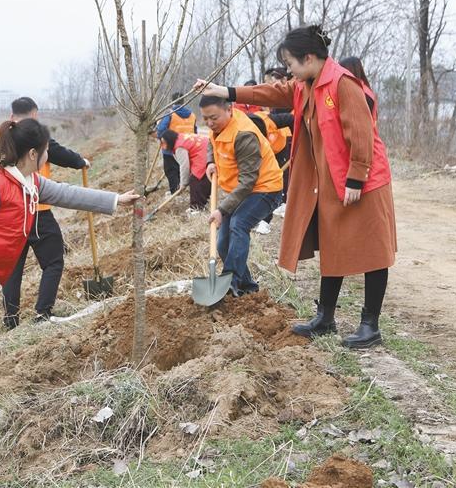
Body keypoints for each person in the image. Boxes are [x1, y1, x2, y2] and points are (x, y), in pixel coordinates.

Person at [194, 25, 397, 349]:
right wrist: (227, 91)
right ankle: (325, 317)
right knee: (333, 245)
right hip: (330, 183)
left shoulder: (343, 84)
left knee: (374, 252)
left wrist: (357, 176)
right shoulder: (306, 85)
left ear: (309, 57)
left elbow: (362, 133)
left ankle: (370, 325)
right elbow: (270, 93)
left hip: (365, 182)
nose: (289, 69)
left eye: (291, 62)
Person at [0, 118, 140, 445]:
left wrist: (115, 200)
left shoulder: (27, 181)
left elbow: (66, 194)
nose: (49, 156)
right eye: (47, 151)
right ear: (33, 152)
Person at [0, 97, 90, 329]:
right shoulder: (35, 137)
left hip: (8, 214)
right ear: (35, 115)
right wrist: (80, 161)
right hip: (36, 209)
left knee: (13, 266)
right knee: (53, 261)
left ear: (11, 116)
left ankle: (11, 319)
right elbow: (59, 154)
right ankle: (43, 313)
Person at [199, 95, 284, 296]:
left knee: (239, 224)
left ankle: (230, 281)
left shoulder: (244, 135)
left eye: (214, 118)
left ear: (230, 109)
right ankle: (247, 287)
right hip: (240, 190)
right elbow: (212, 141)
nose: (210, 123)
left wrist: (221, 209)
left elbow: (249, 181)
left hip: (265, 188)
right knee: (222, 243)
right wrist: (210, 161)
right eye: (205, 119)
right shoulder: (218, 127)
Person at [159, 129, 211, 212]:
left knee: (196, 179)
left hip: (205, 152)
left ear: (169, 140)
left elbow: (184, 166)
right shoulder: (180, 137)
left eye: (164, 143)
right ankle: (204, 202)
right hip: (206, 148)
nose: (162, 146)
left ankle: (196, 207)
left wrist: (183, 183)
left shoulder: (179, 146)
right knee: (199, 178)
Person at [156, 92, 197, 194]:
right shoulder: (192, 115)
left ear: (172, 101)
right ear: (183, 101)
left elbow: (161, 130)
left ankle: (175, 192)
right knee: (183, 168)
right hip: (188, 148)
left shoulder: (170, 113)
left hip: (171, 148)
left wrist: (159, 136)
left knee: (171, 171)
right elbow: (195, 132)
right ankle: (181, 189)